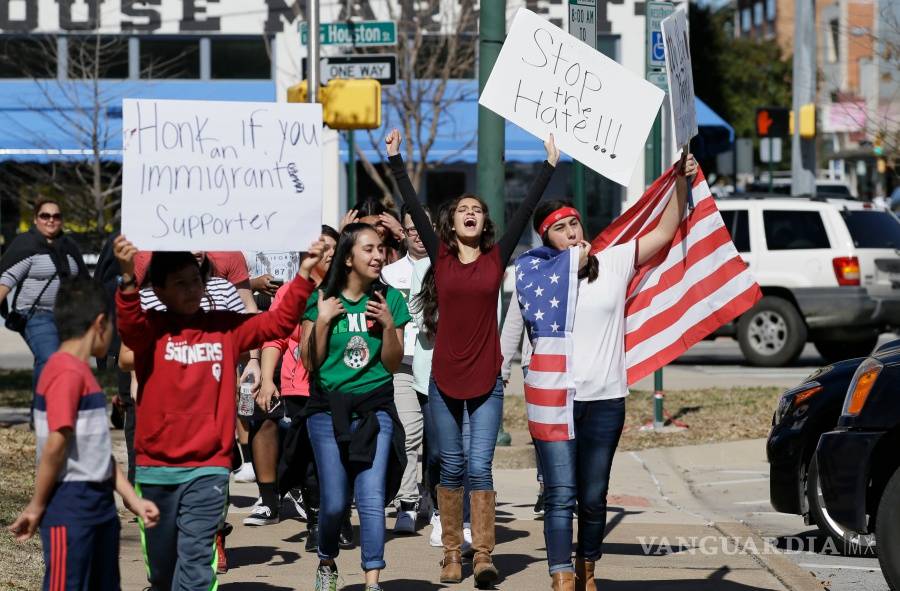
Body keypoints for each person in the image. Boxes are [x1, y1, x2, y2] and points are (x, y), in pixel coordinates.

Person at [386, 128, 559, 586]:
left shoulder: (495, 259)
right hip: (443, 377)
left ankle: (482, 554)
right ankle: (450, 553)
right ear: (450, 223)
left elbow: (523, 213)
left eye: (476, 211)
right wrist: (396, 159)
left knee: (480, 465)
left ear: (484, 224)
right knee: (451, 463)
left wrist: (549, 165)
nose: (469, 214)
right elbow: (410, 198)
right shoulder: (439, 258)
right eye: (462, 210)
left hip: (487, 378)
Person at [520, 155, 697, 591]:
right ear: (545, 237)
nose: (572, 232)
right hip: (555, 401)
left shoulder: (614, 261)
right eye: (560, 228)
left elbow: (662, 232)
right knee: (561, 494)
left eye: (575, 224)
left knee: (594, 496)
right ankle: (561, 576)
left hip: (604, 400)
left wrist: (680, 182)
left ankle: (587, 567)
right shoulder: (533, 275)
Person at [113, 235, 322, 591]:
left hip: (209, 467)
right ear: (159, 290)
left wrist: (304, 275)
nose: (192, 289)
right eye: (180, 283)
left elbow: (275, 323)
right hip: (157, 469)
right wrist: (129, 281)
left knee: (195, 564)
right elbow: (129, 324)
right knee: (163, 571)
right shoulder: (151, 329)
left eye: (196, 280)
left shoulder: (223, 327)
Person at [7, 278, 160, 590]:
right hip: (70, 509)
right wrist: (37, 506)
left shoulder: (83, 374)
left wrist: (131, 499)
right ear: (100, 323)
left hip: (100, 509)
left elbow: (97, 452)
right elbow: (56, 445)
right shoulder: (64, 372)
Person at [300, 223, 411, 591]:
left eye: (381, 248)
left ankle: (372, 580)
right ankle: (327, 559)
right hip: (326, 410)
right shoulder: (321, 298)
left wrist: (390, 325)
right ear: (348, 257)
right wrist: (323, 322)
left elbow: (393, 364)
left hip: (374, 406)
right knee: (333, 503)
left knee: (371, 496)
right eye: (368, 249)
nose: (378, 255)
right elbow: (311, 363)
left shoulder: (390, 299)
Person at [247, 225, 338, 541]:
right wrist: (268, 379)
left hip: (341, 387)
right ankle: (316, 523)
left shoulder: (351, 290)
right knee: (310, 459)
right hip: (299, 387)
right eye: (319, 247)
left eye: (331, 247)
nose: (325, 253)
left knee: (337, 457)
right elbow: (275, 338)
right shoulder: (291, 293)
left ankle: (337, 517)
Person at [0, 199, 88, 399]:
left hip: (65, 317)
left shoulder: (69, 246)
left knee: (64, 363)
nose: (51, 220)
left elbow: (82, 283)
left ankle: (48, 412)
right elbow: (6, 280)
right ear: (35, 219)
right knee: (49, 358)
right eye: (45, 216)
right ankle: (43, 411)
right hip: (34, 313)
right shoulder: (26, 245)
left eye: (56, 216)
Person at [380, 204, 429, 534]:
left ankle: (435, 498)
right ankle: (407, 502)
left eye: (424, 228)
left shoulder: (446, 268)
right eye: (411, 229)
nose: (418, 235)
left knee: (438, 441)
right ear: (403, 232)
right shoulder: (388, 274)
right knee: (409, 432)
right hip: (403, 362)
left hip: (438, 361)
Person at [499, 293, 543, 515]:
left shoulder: (581, 266)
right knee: (543, 430)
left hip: (575, 361)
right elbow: (515, 319)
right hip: (535, 359)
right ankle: (547, 486)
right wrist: (503, 365)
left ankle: (565, 489)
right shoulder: (529, 265)